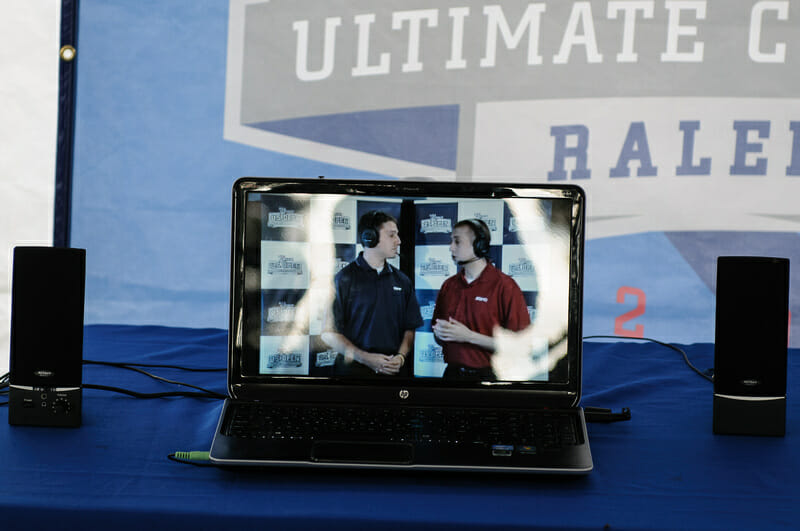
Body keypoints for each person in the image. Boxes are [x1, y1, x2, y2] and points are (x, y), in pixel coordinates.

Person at [322, 210, 423, 377]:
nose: (398, 241)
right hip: (353, 374)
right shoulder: (343, 279)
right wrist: (366, 358)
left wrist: (400, 357)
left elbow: (409, 328)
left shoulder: (403, 281)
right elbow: (329, 333)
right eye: (392, 235)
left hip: (393, 374)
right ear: (370, 237)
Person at [432, 218, 531, 380]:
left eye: (457, 242)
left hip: (490, 379)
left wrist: (468, 336)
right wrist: (441, 333)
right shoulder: (448, 286)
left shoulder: (505, 286)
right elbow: (438, 335)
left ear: (479, 245)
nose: (451, 247)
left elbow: (520, 345)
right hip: (451, 377)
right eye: (451, 241)